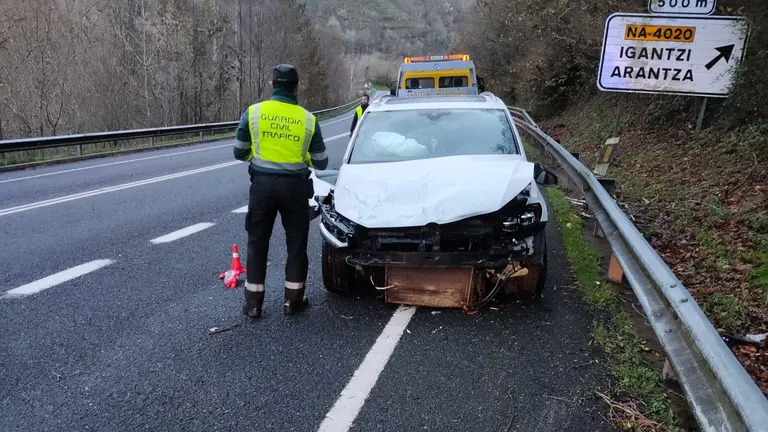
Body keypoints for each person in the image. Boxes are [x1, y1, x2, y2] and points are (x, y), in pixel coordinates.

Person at [233, 64, 329, 319]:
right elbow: (321, 161)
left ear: (272, 85)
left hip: (262, 187)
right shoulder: (308, 119)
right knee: (296, 245)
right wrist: (301, 159)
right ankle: (293, 301)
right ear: (296, 87)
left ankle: (253, 304)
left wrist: (259, 158)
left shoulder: (253, 113)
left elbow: (239, 151)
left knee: (257, 242)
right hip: (295, 188)